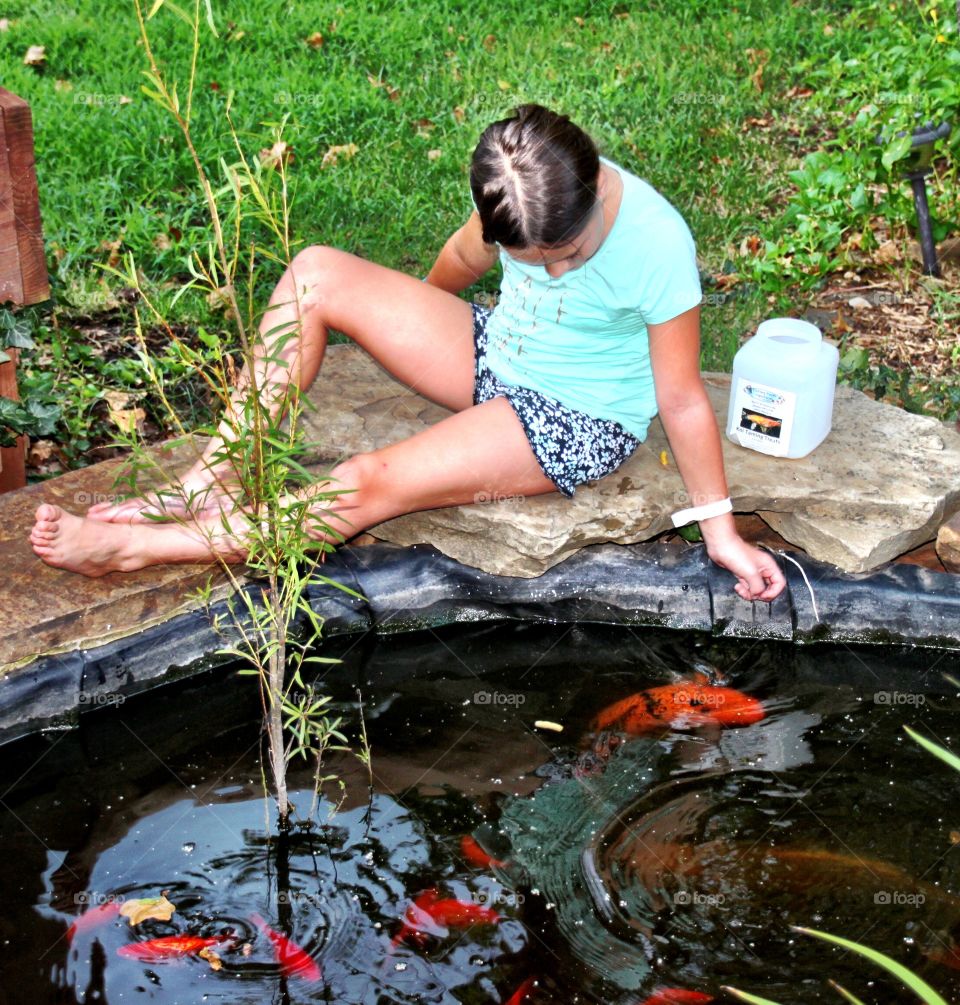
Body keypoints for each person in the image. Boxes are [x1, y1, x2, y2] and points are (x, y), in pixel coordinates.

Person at [31, 104, 785, 602]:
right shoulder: (519, 194)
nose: (556, 268)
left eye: (570, 253)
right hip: (496, 353)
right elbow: (460, 261)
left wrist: (717, 528)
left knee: (365, 482)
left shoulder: (657, 241)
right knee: (316, 271)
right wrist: (418, 322)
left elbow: (682, 396)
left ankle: (141, 549)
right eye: (535, 256)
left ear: (590, 191)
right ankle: (207, 479)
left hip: (573, 416)